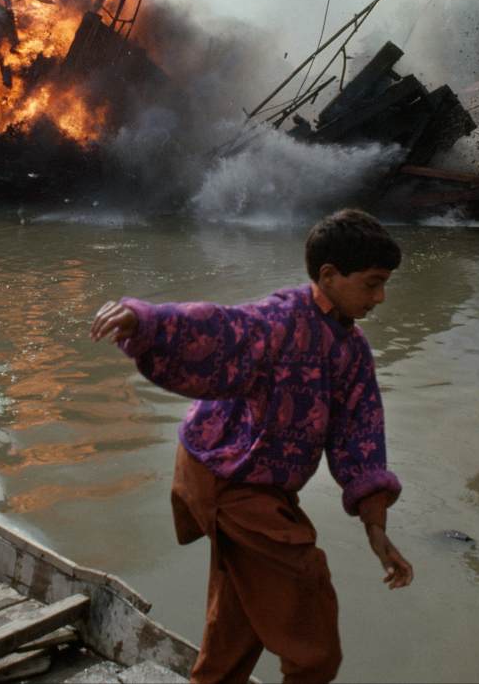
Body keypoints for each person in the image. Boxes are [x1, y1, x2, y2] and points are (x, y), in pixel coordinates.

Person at [90, 208, 413, 684]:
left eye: (384, 284)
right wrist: (145, 319)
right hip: (227, 472)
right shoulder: (279, 321)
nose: (379, 297)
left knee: (238, 625)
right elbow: (217, 328)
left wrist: (375, 526)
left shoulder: (352, 349)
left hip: (258, 484)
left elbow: (360, 432)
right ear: (328, 275)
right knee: (312, 632)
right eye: (371, 283)